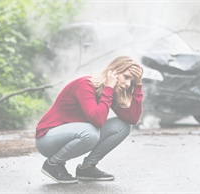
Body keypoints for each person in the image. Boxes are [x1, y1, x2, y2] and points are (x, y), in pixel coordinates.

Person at [35, 56, 143, 184]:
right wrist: (108, 89)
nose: (127, 84)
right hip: (47, 139)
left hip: (73, 136)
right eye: (126, 77)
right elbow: (97, 121)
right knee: (91, 131)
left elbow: (132, 119)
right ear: (113, 72)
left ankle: (87, 168)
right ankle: (53, 164)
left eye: (132, 81)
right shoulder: (85, 84)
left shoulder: (110, 92)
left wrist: (138, 86)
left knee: (123, 126)